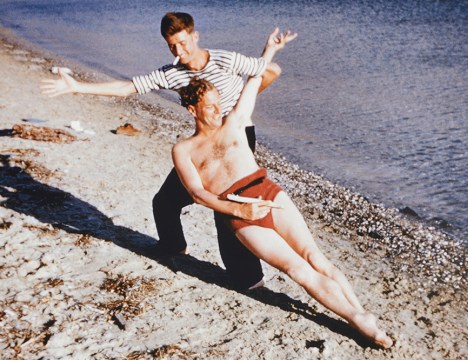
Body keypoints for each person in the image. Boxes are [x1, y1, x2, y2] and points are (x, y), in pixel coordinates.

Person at [172, 31, 394, 349]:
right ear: (192, 109)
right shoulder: (184, 150)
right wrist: (240, 210)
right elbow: (197, 194)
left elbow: (253, 81)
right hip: (240, 212)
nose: (217, 111)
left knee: (314, 256)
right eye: (209, 107)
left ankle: (360, 313)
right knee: (296, 268)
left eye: (218, 104)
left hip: (267, 192)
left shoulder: (234, 122)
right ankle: (357, 320)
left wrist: (269, 51)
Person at [40, 12, 287, 289]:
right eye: (172, 46)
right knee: (165, 202)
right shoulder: (172, 73)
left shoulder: (224, 59)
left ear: (195, 36)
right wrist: (77, 87)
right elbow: (127, 88)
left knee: (226, 210)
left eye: (183, 43)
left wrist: (268, 54)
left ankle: (251, 280)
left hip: (237, 138)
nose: (179, 52)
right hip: (203, 144)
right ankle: (173, 248)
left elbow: (262, 70)